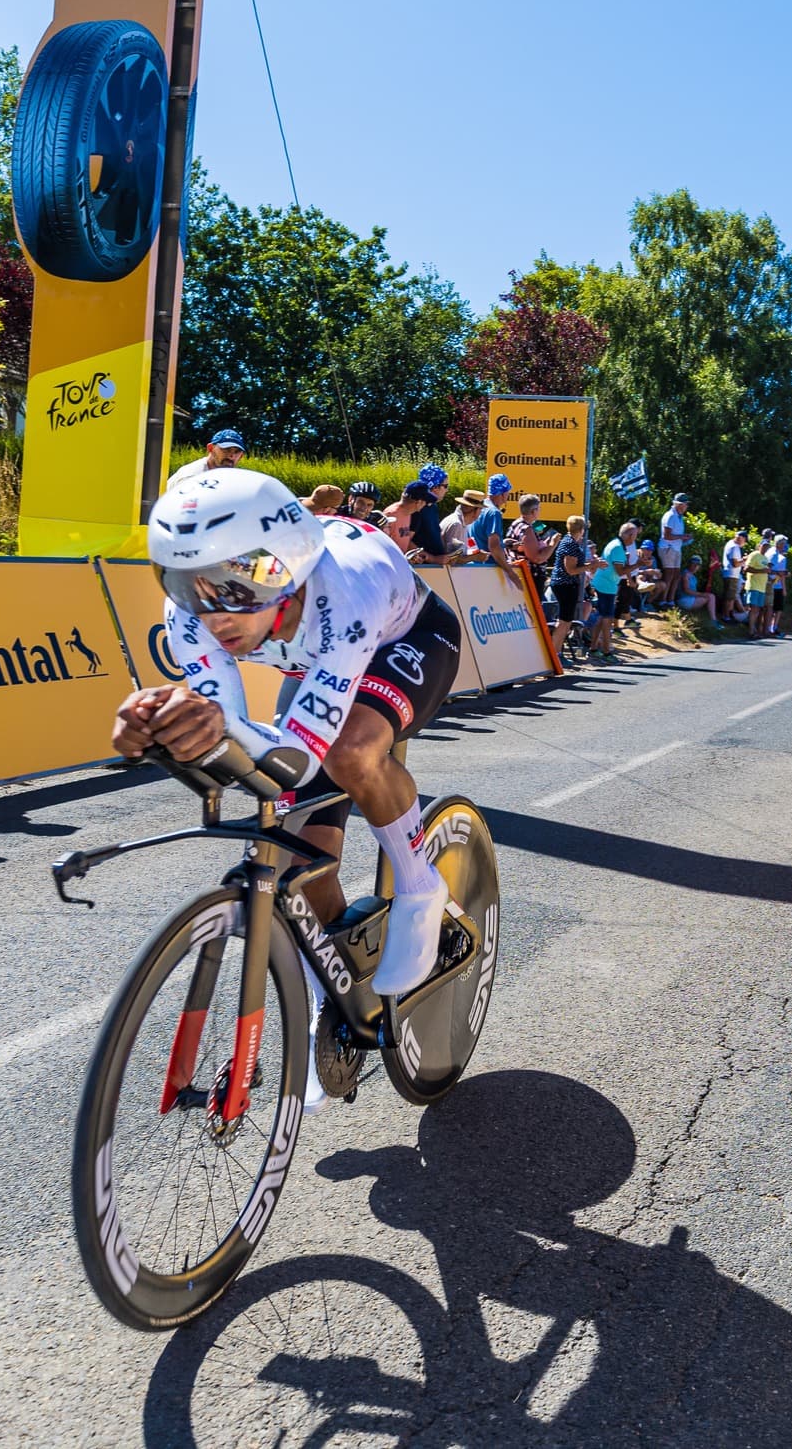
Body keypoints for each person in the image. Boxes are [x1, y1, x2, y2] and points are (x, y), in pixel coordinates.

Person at [113, 469, 464, 1102]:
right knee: (304, 858)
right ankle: (334, 991)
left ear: (289, 567)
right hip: (313, 660)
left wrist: (222, 729)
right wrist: (168, 727)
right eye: (186, 584)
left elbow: (302, 757)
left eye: (237, 583)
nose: (214, 611)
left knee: (353, 752)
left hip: (402, 638)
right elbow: (232, 733)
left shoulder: (343, 589)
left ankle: (421, 884)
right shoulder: (192, 609)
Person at [547, 515, 593, 658]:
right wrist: (592, 565)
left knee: (566, 622)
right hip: (565, 585)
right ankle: (555, 654)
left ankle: (558, 653)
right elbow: (571, 570)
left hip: (567, 585)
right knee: (563, 622)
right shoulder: (570, 544)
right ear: (581, 529)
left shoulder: (570, 542)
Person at [588, 522, 634, 657]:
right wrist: (639, 563)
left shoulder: (615, 543)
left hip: (605, 584)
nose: (634, 539)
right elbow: (620, 572)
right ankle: (607, 652)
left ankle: (594, 648)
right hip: (606, 585)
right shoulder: (618, 547)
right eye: (635, 536)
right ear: (630, 535)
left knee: (603, 617)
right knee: (607, 618)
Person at [167, 427, 245, 488]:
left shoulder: (231, 478)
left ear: (241, 456)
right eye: (226, 449)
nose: (232, 456)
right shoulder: (193, 476)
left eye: (237, 451)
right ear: (210, 448)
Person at [506, 493, 552, 590]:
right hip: (529, 577)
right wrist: (553, 544)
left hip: (519, 573)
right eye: (539, 509)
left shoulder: (516, 524)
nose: (540, 511)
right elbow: (536, 558)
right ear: (533, 511)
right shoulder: (527, 529)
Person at [382, 480, 435, 557]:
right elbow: (382, 545)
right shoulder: (391, 515)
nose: (425, 505)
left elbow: (403, 541)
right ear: (419, 502)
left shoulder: (408, 513)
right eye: (426, 502)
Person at [659, 493, 691, 604]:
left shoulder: (678, 517)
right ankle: (662, 600)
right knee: (669, 574)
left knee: (676, 575)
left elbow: (675, 534)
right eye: (685, 504)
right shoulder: (670, 516)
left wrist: (684, 538)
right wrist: (682, 537)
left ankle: (670, 600)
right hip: (668, 548)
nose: (686, 506)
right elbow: (666, 536)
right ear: (679, 504)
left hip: (676, 548)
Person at [744, 534, 770, 637]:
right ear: (759, 546)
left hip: (762, 587)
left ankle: (754, 629)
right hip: (753, 586)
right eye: (764, 546)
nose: (765, 548)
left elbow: (765, 571)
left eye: (767, 546)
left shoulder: (765, 558)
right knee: (754, 608)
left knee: (758, 609)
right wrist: (761, 571)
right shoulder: (754, 555)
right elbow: (746, 569)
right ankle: (751, 631)